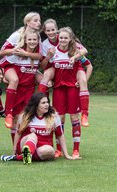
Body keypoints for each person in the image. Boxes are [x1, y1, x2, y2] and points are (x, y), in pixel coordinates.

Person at [0, 92, 80, 164]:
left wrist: (66, 154)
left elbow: (60, 135)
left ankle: (22, 157)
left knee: (51, 151)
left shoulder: (54, 116)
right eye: (43, 103)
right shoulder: (25, 116)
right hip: (26, 143)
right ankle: (23, 154)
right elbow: (18, 133)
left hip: (42, 148)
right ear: (36, 105)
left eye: (47, 102)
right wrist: (14, 151)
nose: (47, 105)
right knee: (33, 135)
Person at [38, 19, 91, 127]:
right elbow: (43, 66)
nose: (51, 32)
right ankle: (40, 105)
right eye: (48, 30)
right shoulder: (44, 44)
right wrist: (48, 56)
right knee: (46, 75)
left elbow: (85, 52)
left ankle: (85, 114)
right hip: (57, 70)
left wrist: (75, 57)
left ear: (57, 30)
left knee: (83, 80)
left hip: (73, 70)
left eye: (53, 30)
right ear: (44, 31)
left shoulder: (64, 38)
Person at [0, 12, 42, 129]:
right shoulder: (17, 35)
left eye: (39, 20)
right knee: (14, 80)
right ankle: (8, 113)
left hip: (27, 70)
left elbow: (39, 56)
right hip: (10, 66)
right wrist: (15, 50)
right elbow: (2, 52)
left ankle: (43, 112)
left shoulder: (37, 37)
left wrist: (26, 54)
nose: (39, 23)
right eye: (35, 20)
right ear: (27, 22)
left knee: (44, 81)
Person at [49, 27, 83, 158]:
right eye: (61, 37)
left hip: (72, 89)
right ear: (58, 38)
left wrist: (81, 80)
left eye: (65, 38)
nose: (63, 40)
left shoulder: (76, 52)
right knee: (59, 119)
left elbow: (88, 65)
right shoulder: (53, 52)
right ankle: (59, 149)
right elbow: (48, 68)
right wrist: (51, 80)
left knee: (74, 118)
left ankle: (76, 149)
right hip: (58, 89)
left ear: (70, 39)